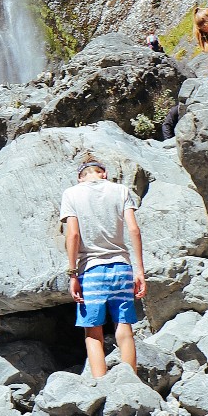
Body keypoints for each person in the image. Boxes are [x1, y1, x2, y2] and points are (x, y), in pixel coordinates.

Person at [62, 155, 147, 377]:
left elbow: (73, 235)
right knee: (124, 328)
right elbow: (134, 230)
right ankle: (130, 380)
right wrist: (139, 270)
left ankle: (101, 387)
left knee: (93, 332)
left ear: (80, 177)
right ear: (104, 173)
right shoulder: (120, 190)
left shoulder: (71, 194)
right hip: (122, 267)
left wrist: (72, 274)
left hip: (90, 270)